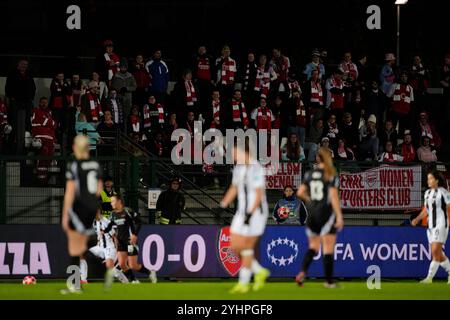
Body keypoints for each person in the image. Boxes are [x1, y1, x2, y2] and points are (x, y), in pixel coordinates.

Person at [220, 141, 270, 294]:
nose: (234, 156)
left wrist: (250, 214)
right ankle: (259, 271)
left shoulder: (255, 168)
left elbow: (259, 193)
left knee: (246, 247)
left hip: (256, 213)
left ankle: (243, 283)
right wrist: (222, 205)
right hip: (241, 212)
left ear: (245, 152)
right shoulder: (238, 168)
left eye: (236, 153)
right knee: (235, 245)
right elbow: (234, 188)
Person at [295, 147, 344, 288]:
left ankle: (302, 273)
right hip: (326, 214)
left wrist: (310, 201)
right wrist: (339, 216)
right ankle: (328, 282)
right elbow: (334, 197)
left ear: (318, 158)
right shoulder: (330, 174)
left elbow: (300, 192)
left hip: (312, 214)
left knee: (313, 247)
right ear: (328, 158)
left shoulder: (309, 174)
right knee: (328, 248)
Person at [61, 135, 103, 293]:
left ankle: (74, 285)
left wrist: (65, 214)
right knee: (82, 250)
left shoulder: (75, 166)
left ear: (75, 148)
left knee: (74, 249)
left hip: (79, 208)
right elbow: (99, 190)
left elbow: (70, 192)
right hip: (91, 209)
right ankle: (83, 278)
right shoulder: (96, 165)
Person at [103, 194, 154, 283]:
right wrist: (103, 231)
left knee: (133, 265)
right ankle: (134, 280)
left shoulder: (127, 211)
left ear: (119, 201)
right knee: (122, 265)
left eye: (113, 201)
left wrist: (134, 235)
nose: (111, 203)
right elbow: (110, 225)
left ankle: (150, 273)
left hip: (130, 242)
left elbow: (138, 222)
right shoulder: (113, 214)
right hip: (120, 242)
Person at [411, 170, 450, 284]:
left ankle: (429, 278)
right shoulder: (427, 193)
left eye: (431, 178)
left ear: (437, 180)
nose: (428, 181)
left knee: (435, 250)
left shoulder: (444, 192)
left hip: (442, 224)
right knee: (437, 253)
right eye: (428, 179)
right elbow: (427, 210)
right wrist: (417, 219)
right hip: (430, 227)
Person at [80, 212, 129, 286]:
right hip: (100, 247)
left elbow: (115, 237)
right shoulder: (94, 222)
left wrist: (117, 253)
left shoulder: (106, 222)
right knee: (81, 255)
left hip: (110, 248)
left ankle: (126, 283)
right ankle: (84, 280)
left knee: (111, 269)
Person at [5, 59, 36, 155]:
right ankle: (10, 146)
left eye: (26, 64)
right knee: (12, 122)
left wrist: (31, 98)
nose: (24, 66)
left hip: (27, 101)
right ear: (18, 64)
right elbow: (8, 87)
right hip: (16, 101)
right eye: (22, 64)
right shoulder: (12, 73)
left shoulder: (29, 74)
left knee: (28, 122)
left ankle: (27, 145)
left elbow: (33, 87)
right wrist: (11, 97)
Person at [31, 97, 57, 183]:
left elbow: (54, 125)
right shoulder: (36, 111)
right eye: (42, 102)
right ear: (39, 103)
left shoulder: (49, 112)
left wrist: (51, 122)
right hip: (41, 138)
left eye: (45, 102)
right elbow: (45, 122)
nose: (44, 104)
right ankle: (41, 179)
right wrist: (51, 122)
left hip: (50, 139)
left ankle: (44, 178)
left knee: (49, 160)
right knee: (43, 158)